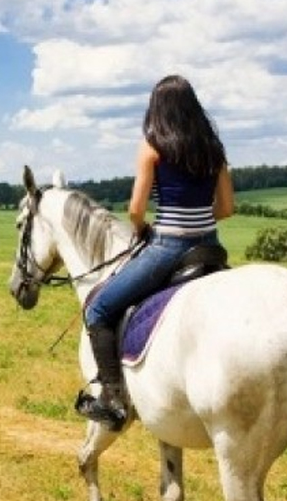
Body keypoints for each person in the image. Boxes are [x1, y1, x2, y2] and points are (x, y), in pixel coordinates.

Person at [75, 74, 235, 429]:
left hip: (169, 246)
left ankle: (113, 398)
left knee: (99, 308)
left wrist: (142, 229)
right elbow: (226, 208)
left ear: (157, 109)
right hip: (210, 247)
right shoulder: (214, 149)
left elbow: (135, 208)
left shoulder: (153, 146)